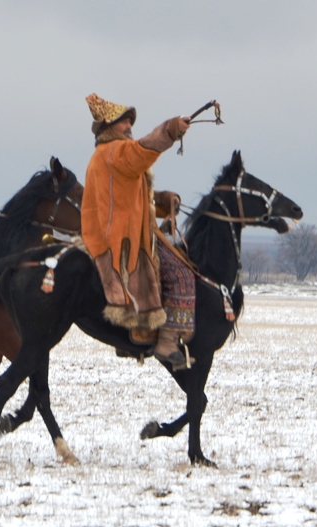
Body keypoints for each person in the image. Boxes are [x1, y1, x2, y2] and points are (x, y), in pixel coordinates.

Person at [81, 93, 196, 369]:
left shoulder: (105, 157)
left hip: (119, 232)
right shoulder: (116, 153)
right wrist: (171, 129)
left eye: (130, 121)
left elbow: (132, 200)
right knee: (182, 274)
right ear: (108, 127)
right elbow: (144, 148)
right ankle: (167, 342)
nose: (129, 126)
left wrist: (162, 201)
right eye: (124, 122)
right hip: (126, 240)